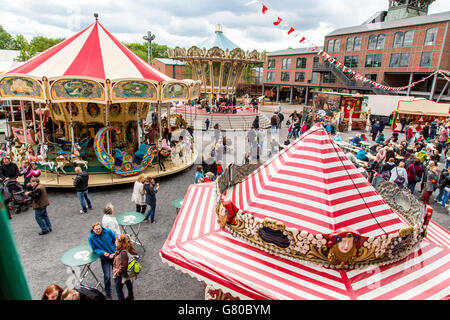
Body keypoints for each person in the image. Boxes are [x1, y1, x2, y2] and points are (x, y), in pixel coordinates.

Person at [88, 221, 116, 299]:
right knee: (107, 276)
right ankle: (108, 292)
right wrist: (103, 253)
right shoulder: (91, 238)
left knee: (117, 272)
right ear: (93, 230)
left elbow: (115, 239)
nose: (98, 230)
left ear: (101, 227)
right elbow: (94, 249)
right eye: (96, 229)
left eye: (99, 229)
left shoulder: (107, 231)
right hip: (105, 258)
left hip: (114, 255)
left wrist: (114, 250)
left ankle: (118, 285)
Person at [113, 234, 137, 300]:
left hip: (121, 274)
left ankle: (130, 295)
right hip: (126, 274)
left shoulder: (123, 252)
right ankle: (131, 295)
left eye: (116, 241)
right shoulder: (124, 249)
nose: (115, 242)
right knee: (128, 281)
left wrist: (118, 273)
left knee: (118, 289)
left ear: (120, 243)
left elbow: (124, 266)